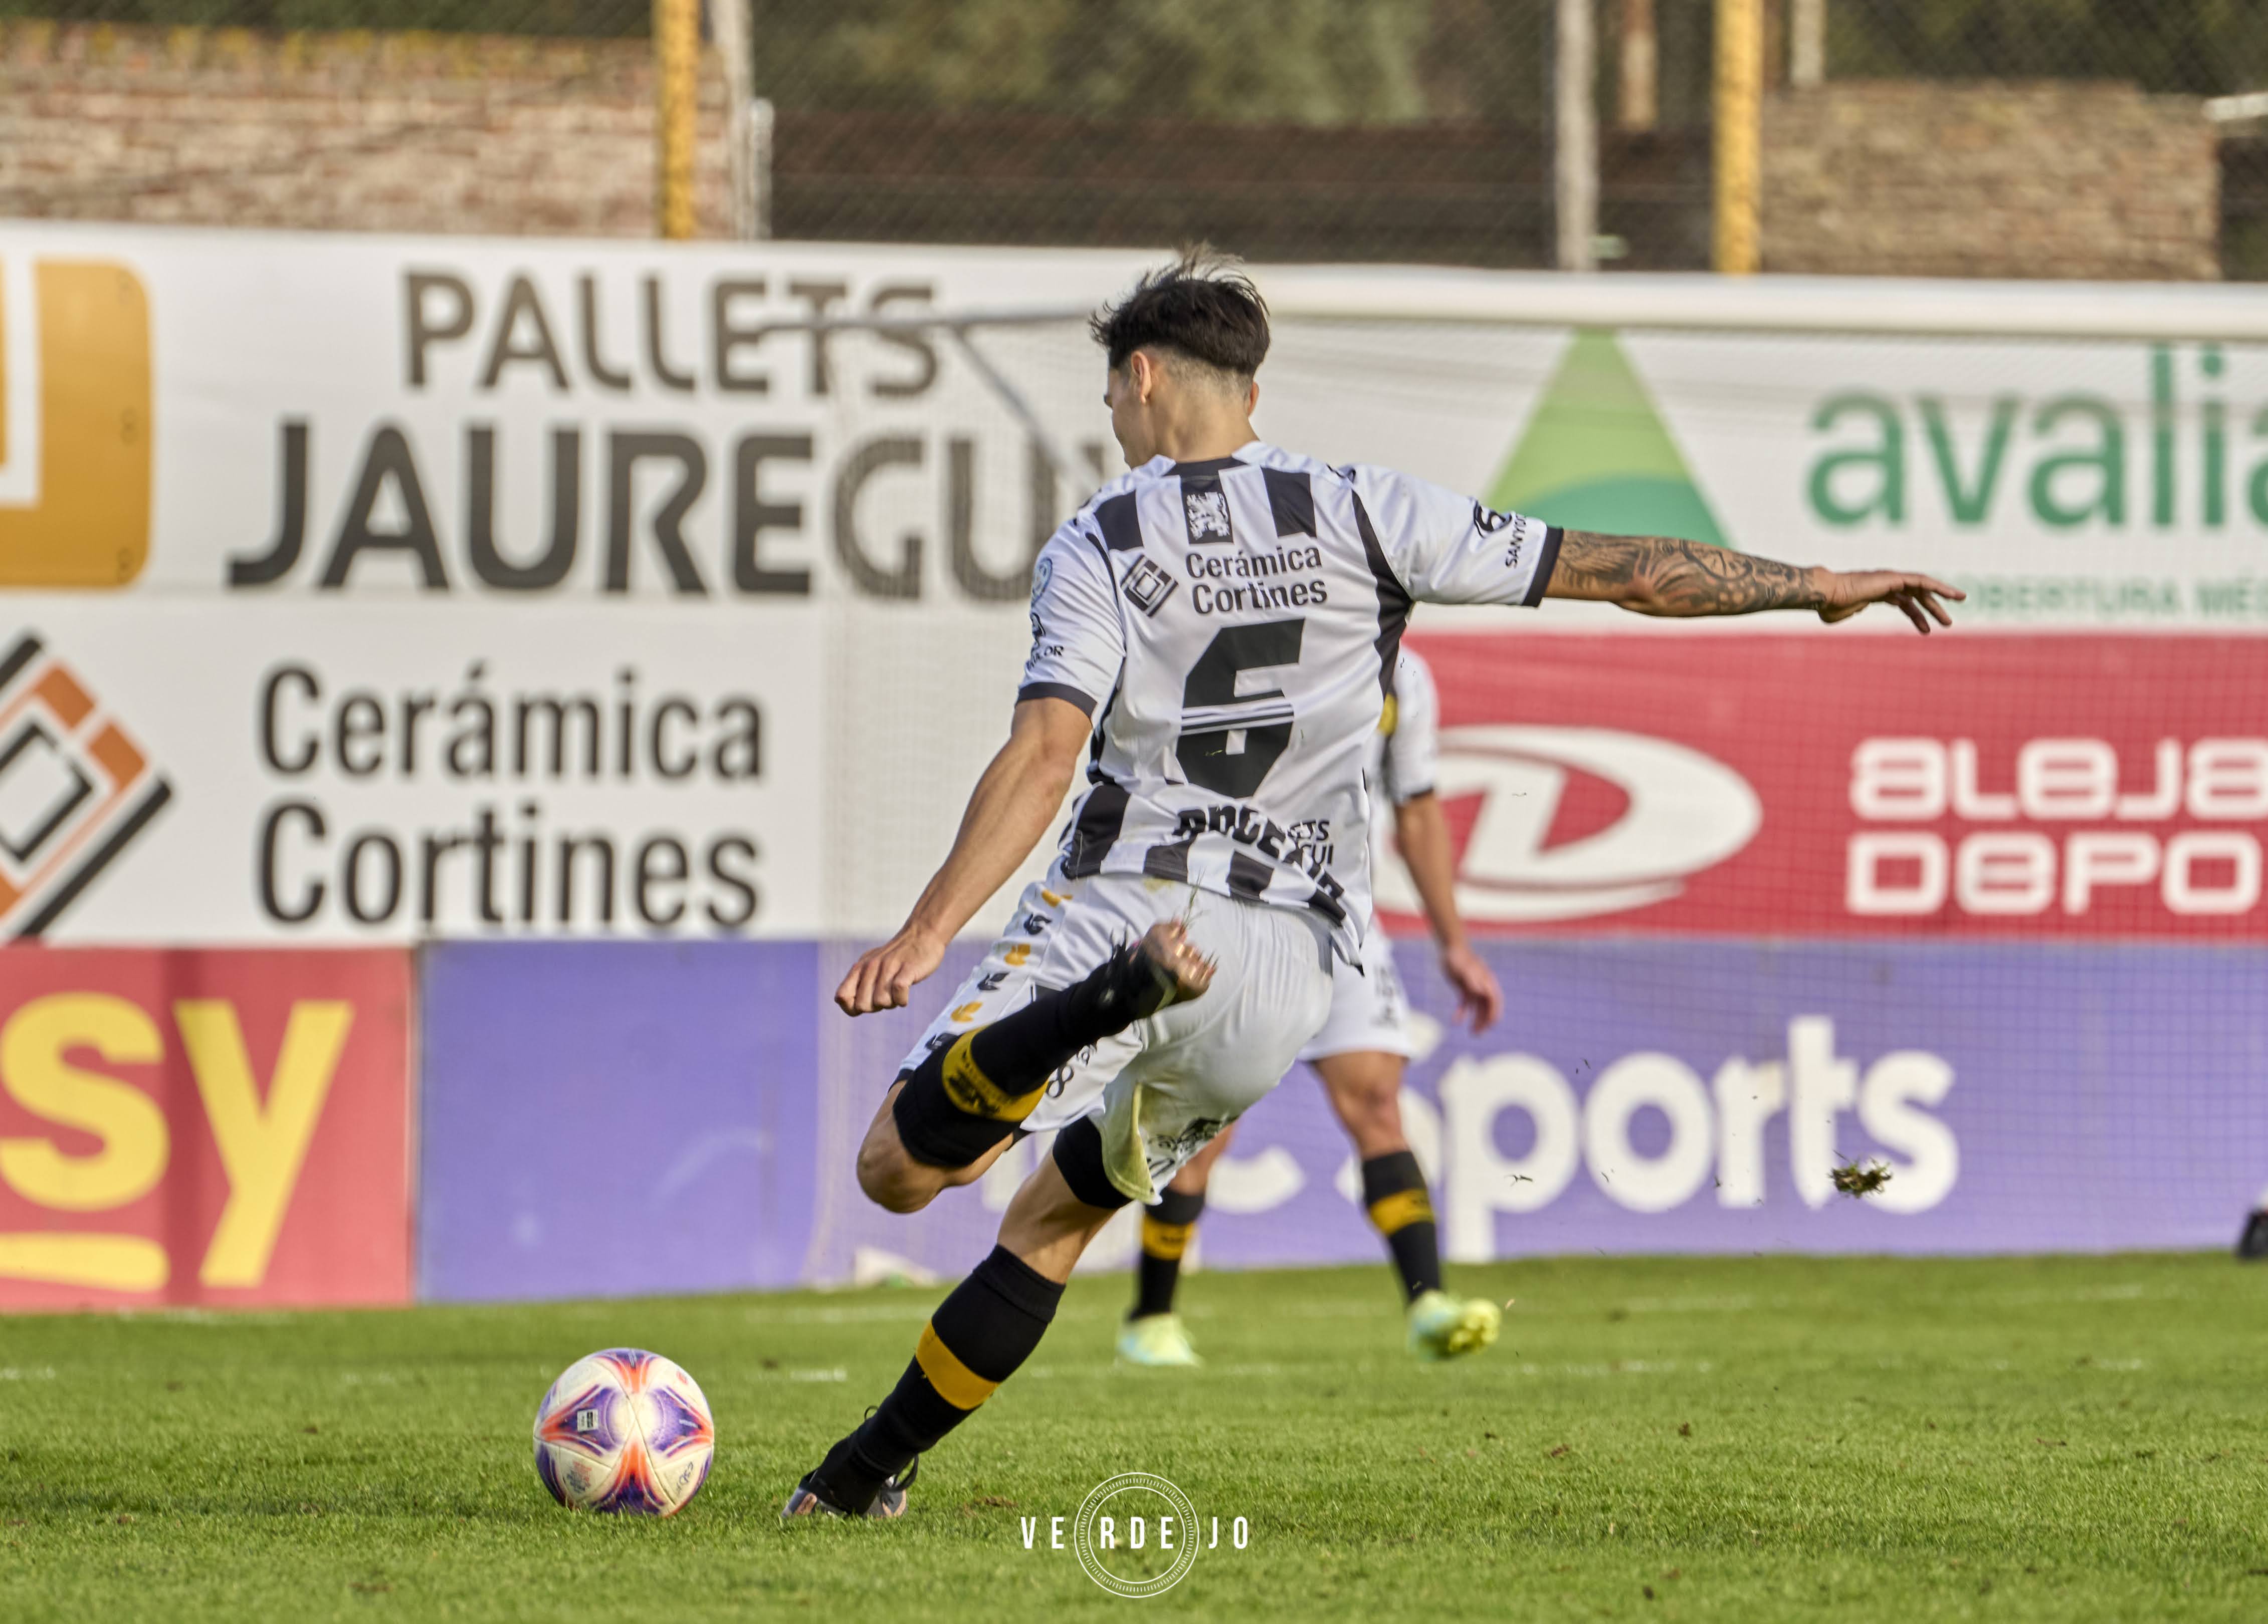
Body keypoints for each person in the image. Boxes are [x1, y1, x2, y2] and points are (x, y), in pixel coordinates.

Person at [784, 251, 1961, 1519]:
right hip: (1287, 972)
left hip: (1138, 898)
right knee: (1052, 1227)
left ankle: (1096, 1004)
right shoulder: (1363, 507)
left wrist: (926, 928)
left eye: (1113, 401)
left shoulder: (1103, 536)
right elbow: (1619, 571)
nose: (1115, 426)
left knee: (901, 1169)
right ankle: (857, 1480)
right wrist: (1810, 585)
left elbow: (1046, 749)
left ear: (1140, 378)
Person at [1115, 646, 1506, 1368]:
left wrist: (1454, 943)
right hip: (1237, 912)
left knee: (1377, 1103)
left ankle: (1427, 1303)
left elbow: (1415, 807)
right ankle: (1151, 1318)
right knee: (1206, 1116)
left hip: (1340, 920)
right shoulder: (1259, 634)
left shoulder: (1403, 674)